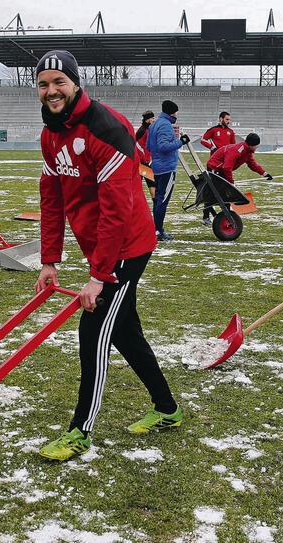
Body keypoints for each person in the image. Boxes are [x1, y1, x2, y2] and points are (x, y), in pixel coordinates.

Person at [33, 49, 180, 461]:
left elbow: (119, 210)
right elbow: (51, 197)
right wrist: (49, 260)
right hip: (99, 245)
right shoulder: (50, 133)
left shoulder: (105, 127)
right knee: (125, 332)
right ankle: (168, 409)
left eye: (59, 82)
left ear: (76, 83)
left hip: (127, 246)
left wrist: (99, 275)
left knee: (93, 330)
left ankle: (80, 431)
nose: (51, 91)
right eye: (43, 84)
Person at [146, 100, 188, 241]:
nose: (176, 115)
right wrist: (181, 142)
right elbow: (163, 146)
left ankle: (156, 229)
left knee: (158, 199)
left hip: (157, 167)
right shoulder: (166, 125)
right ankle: (158, 231)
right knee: (162, 201)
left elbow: (149, 147)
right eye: (175, 112)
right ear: (172, 112)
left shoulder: (154, 124)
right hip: (166, 168)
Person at [205, 133, 273, 185]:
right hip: (214, 168)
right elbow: (227, 167)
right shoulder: (237, 151)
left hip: (222, 170)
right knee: (222, 192)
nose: (258, 147)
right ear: (251, 145)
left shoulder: (247, 152)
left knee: (225, 192)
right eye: (257, 145)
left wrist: (265, 174)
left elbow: (253, 165)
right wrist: (230, 182)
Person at [134, 110, 155, 195]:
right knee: (138, 185)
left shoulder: (147, 129)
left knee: (151, 183)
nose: (154, 119)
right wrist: (143, 161)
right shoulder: (143, 130)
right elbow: (137, 146)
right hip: (141, 163)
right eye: (152, 118)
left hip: (145, 162)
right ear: (148, 119)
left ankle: (155, 203)